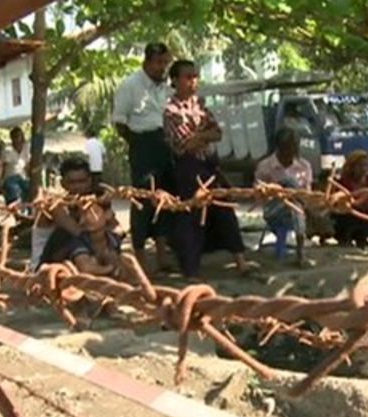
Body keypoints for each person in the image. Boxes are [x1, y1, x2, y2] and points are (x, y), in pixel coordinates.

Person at [163, 59, 250, 280]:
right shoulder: (171, 110)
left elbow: (217, 133)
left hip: (209, 164)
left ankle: (241, 263)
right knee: (192, 217)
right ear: (175, 81)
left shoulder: (200, 105)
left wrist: (199, 134)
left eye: (195, 76)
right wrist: (204, 133)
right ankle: (191, 271)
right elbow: (185, 144)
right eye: (188, 77)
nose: (193, 81)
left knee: (224, 210)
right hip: (188, 168)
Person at [113, 42, 174, 273]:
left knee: (164, 201)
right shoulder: (130, 86)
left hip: (164, 145)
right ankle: (139, 257)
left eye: (165, 63)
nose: (162, 68)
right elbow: (119, 122)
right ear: (147, 61)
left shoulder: (165, 88)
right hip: (142, 144)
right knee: (143, 202)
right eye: (159, 63)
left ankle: (161, 255)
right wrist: (138, 144)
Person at [38, 158, 124, 277]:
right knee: (77, 237)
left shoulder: (92, 202)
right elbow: (79, 232)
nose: (78, 187)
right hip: (46, 265)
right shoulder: (56, 205)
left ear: (89, 181)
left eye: (82, 181)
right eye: (72, 182)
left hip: (82, 255)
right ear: (63, 183)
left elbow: (118, 229)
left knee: (109, 244)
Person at [254, 127, 313, 266]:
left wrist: (297, 198)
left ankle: (300, 252)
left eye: (294, 148)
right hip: (274, 209)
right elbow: (258, 195)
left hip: (298, 207)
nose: (291, 152)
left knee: (296, 205)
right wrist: (276, 192)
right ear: (279, 147)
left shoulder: (304, 166)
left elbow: (308, 193)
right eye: (287, 148)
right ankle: (300, 252)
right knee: (289, 182)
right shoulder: (265, 166)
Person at [0, 127, 31, 204]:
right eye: (15, 137)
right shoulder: (7, 150)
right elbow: (3, 167)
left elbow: (28, 164)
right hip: (11, 178)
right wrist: (1, 180)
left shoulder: (26, 148)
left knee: (30, 191)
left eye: (19, 136)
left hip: (23, 178)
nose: (18, 139)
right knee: (15, 192)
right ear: (12, 138)